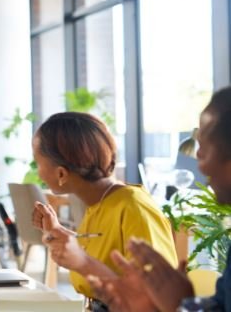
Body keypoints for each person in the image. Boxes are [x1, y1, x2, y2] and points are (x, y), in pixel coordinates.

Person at [88, 87, 231, 312]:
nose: (198, 157)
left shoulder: (130, 202)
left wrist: (179, 305)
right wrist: (161, 306)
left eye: (204, 145)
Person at [31, 112, 177, 310]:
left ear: (61, 173)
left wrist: (82, 262)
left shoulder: (133, 207)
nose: (37, 171)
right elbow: (106, 252)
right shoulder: (99, 203)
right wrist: (61, 235)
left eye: (38, 163)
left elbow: (157, 300)